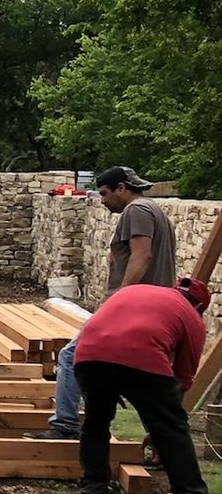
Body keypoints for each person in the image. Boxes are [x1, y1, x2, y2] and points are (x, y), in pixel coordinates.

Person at [48, 166, 178, 439]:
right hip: (156, 308)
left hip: (134, 307)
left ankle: (64, 424)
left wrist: (119, 300)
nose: (103, 200)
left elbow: (142, 256)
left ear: (122, 188)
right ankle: (162, 441)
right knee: (143, 377)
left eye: (105, 193)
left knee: (72, 356)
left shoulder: (136, 211)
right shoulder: (155, 212)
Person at [74, 276, 214, 494]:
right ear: (200, 307)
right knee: (172, 429)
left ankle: (94, 486)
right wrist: (161, 424)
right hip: (141, 358)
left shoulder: (135, 290)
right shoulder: (192, 317)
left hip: (88, 354)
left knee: (96, 421)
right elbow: (183, 378)